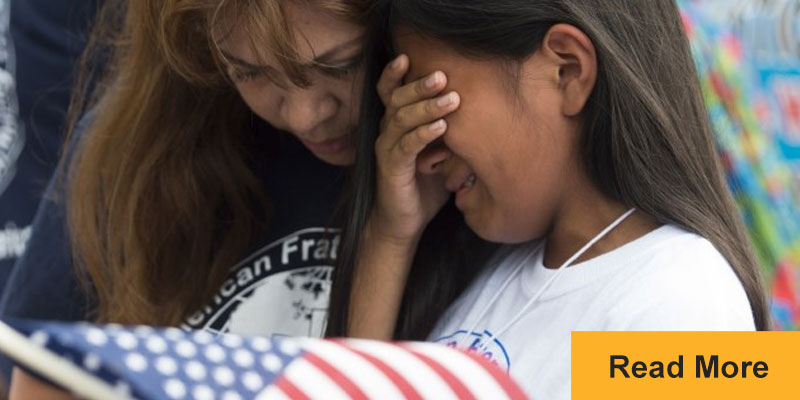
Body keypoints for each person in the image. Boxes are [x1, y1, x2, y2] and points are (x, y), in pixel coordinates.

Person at [326, 0, 770, 398]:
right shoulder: (499, 263)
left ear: (567, 70)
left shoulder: (682, 300)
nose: (422, 156)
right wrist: (390, 235)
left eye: (430, 103)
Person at [4, 0, 370, 397]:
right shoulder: (140, 149)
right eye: (249, 72)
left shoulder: (440, 173)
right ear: (201, 50)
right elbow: (39, 368)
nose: (306, 115)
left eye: (341, 65)